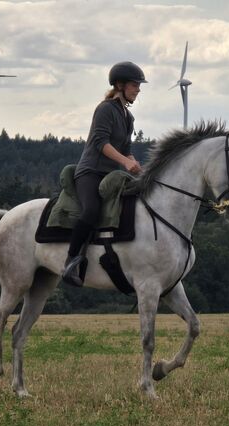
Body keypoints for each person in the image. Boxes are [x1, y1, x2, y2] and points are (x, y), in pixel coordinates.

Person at [61, 61, 147, 287]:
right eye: (134, 84)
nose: (138, 89)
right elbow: (101, 143)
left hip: (111, 176)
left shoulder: (128, 118)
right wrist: (124, 163)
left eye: (139, 85)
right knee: (91, 211)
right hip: (90, 172)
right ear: (120, 85)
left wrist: (137, 166)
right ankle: (70, 262)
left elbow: (126, 152)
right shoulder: (105, 109)